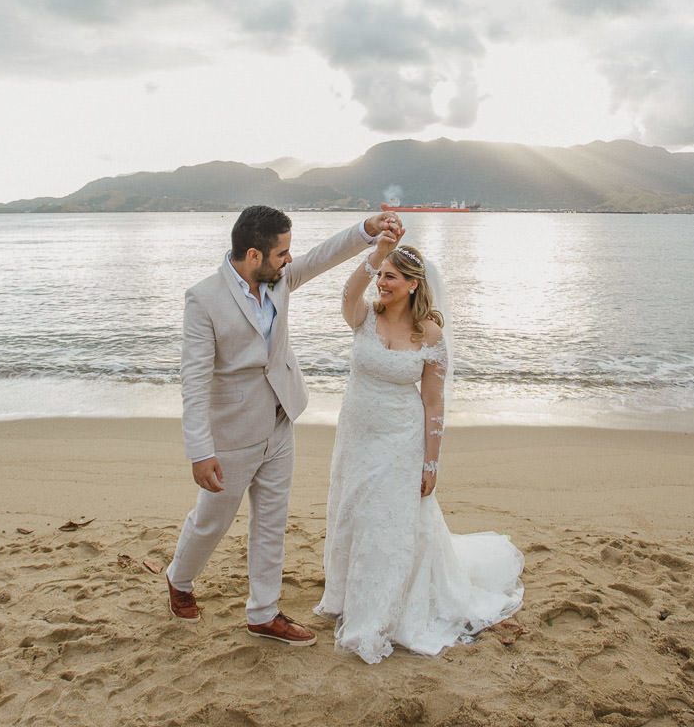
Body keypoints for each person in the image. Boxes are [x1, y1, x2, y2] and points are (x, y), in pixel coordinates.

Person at [166, 205, 401, 646]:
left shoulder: (279, 280)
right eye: (282, 252)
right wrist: (200, 451)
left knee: (272, 522)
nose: (290, 259)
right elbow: (194, 382)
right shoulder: (203, 299)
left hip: (281, 420)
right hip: (232, 435)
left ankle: (263, 613)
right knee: (211, 522)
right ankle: (179, 580)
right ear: (254, 255)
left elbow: (320, 257)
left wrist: (366, 231)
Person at [315, 231, 525, 663]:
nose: (382, 283)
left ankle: (378, 613)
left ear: (413, 283)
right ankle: (344, 594)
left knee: (385, 521)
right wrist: (375, 255)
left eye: (391, 277)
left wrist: (432, 462)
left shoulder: (429, 332)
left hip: (401, 437)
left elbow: (433, 400)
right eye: (381, 276)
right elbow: (347, 290)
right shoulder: (363, 316)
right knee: (352, 509)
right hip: (356, 433)